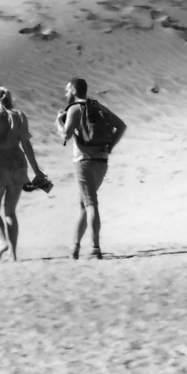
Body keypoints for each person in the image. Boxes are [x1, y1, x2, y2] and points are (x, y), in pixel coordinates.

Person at [58, 77, 127, 260]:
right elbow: (120, 126)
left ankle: (95, 248)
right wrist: (110, 147)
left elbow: (65, 134)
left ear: (73, 90)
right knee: (85, 204)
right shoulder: (97, 106)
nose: (65, 93)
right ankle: (75, 246)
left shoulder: (74, 109)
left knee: (90, 204)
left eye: (67, 90)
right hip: (101, 162)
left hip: (84, 161)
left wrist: (58, 121)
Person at [0, 86, 46, 262]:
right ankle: (14, 254)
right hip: (18, 164)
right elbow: (26, 144)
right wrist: (36, 169)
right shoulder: (20, 116)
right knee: (10, 212)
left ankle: (3, 242)